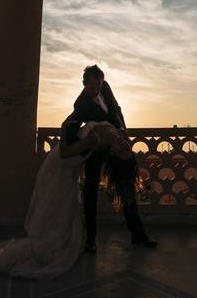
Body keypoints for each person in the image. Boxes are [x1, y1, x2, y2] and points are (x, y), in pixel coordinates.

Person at [0, 118, 127, 279]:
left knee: (61, 213)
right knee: (59, 212)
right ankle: (51, 242)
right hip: (56, 169)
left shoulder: (95, 140)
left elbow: (65, 154)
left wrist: (63, 130)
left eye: (121, 150)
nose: (124, 145)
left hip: (60, 171)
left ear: (112, 152)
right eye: (127, 147)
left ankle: (50, 247)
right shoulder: (117, 131)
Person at [67, 64, 157, 252]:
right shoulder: (80, 103)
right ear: (84, 84)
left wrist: (123, 130)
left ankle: (138, 235)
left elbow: (116, 109)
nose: (95, 90)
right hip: (97, 147)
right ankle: (90, 241)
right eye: (91, 87)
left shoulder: (105, 87)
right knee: (90, 190)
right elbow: (71, 126)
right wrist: (78, 143)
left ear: (102, 81)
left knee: (126, 187)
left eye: (98, 85)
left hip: (116, 143)